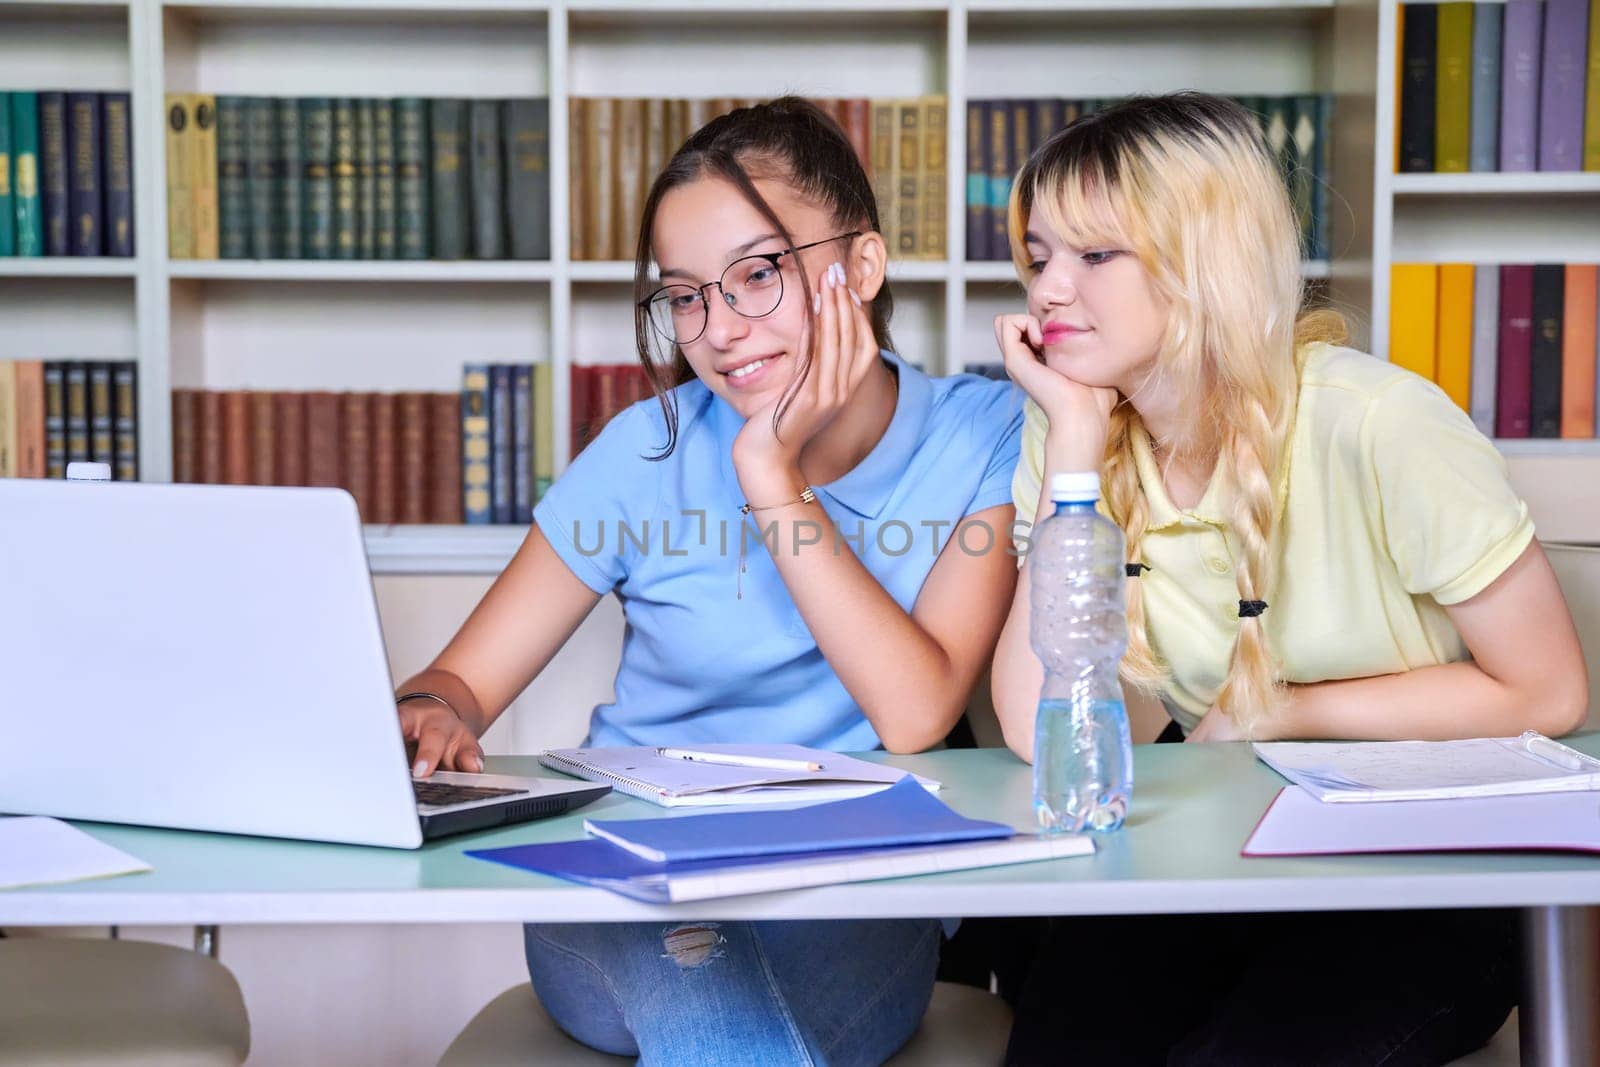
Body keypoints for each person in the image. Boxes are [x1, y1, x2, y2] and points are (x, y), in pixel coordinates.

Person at [394, 97, 1025, 1064]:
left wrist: (770, 475)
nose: (717, 330)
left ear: (861, 267)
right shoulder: (641, 452)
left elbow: (914, 712)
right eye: (686, 295)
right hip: (627, 881)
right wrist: (434, 710)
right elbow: (458, 682)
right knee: (703, 984)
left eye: (757, 275)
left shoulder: (981, 435)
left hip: (851, 889)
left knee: (726, 1015)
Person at [988, 92, 1588, 1065]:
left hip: (1428, 880)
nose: (1048, 289)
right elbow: (1033, 727)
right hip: (1221, 856)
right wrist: (1071, 461)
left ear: (1203, 262)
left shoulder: (1378, 421)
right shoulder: (1072, 433)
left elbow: (1547, 688)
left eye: (1096, 255)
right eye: (1040, 254)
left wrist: (1283, 709)